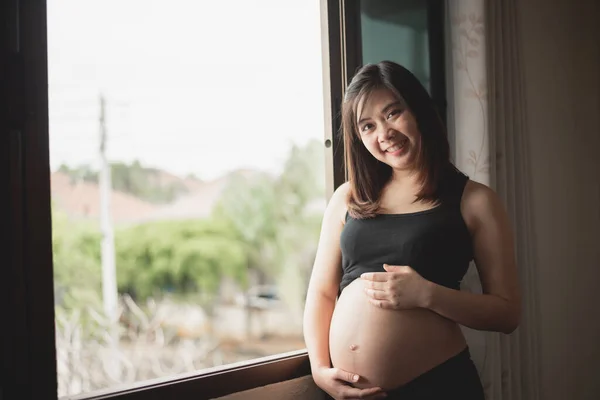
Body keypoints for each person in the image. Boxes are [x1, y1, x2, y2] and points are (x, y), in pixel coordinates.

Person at [303, 61, 521, 400]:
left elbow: (508, 313)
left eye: (392, 113)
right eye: (368, 126)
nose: (384, 133)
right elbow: (321, 292)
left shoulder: (475, 201)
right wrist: (319, 370)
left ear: (418, 111)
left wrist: (427, 294)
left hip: (438, 387)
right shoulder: (348, 198)